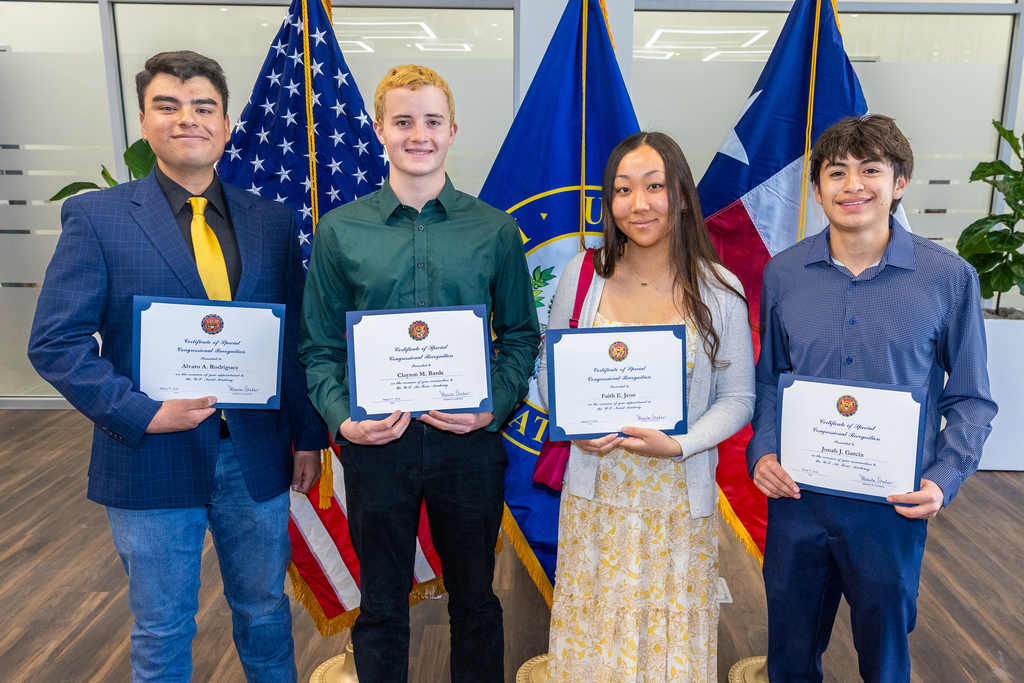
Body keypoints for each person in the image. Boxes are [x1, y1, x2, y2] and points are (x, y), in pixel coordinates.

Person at [27, 51, 327, 683]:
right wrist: (143, 412)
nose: (186, 118)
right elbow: (56, 342)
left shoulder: (270, 220)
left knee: (267, 612)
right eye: (168, 105)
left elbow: (294, 335)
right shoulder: (98, 217)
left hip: (256, 456)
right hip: (148, 456)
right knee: (163, 628)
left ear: (225, 122)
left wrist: (307, 436)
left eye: (203, 107)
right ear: (144, 121)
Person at [298, 64, 540, 683]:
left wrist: (497, 405)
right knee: (379, 606)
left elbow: (520, 336)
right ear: (380, 129)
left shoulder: (492, 229)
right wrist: (343, 420)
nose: (418, 134)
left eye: (431, 121)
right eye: (403, 121)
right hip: (376, 446)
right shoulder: (340, 231)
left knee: (477, 602)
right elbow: (319, 346)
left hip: (470, 445)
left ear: (452, 130)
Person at [746, 114, 997, 683]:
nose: (852, 185)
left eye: (871, 170)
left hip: (890, 507)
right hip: (797, 498)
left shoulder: (948, 278)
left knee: (883, 660)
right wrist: (761, 452)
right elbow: (769, 379)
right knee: (788, 653)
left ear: (899, 182)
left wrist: (943, 478)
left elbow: (972, 398)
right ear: (817, 189)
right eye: (836, 172)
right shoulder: (783, 274)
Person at [538, 131, 755, 682]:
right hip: (596, 496)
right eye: (623, 189)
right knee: (596, 641)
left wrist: (678, 444)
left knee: (667, 650)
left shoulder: (720, 288)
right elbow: (548, 372)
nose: (639, 204)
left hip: (677, 504)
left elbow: (739, 398)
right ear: (608, 202)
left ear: (680, 195)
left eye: (654, 186)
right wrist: (574, 427)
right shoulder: (582, 277)